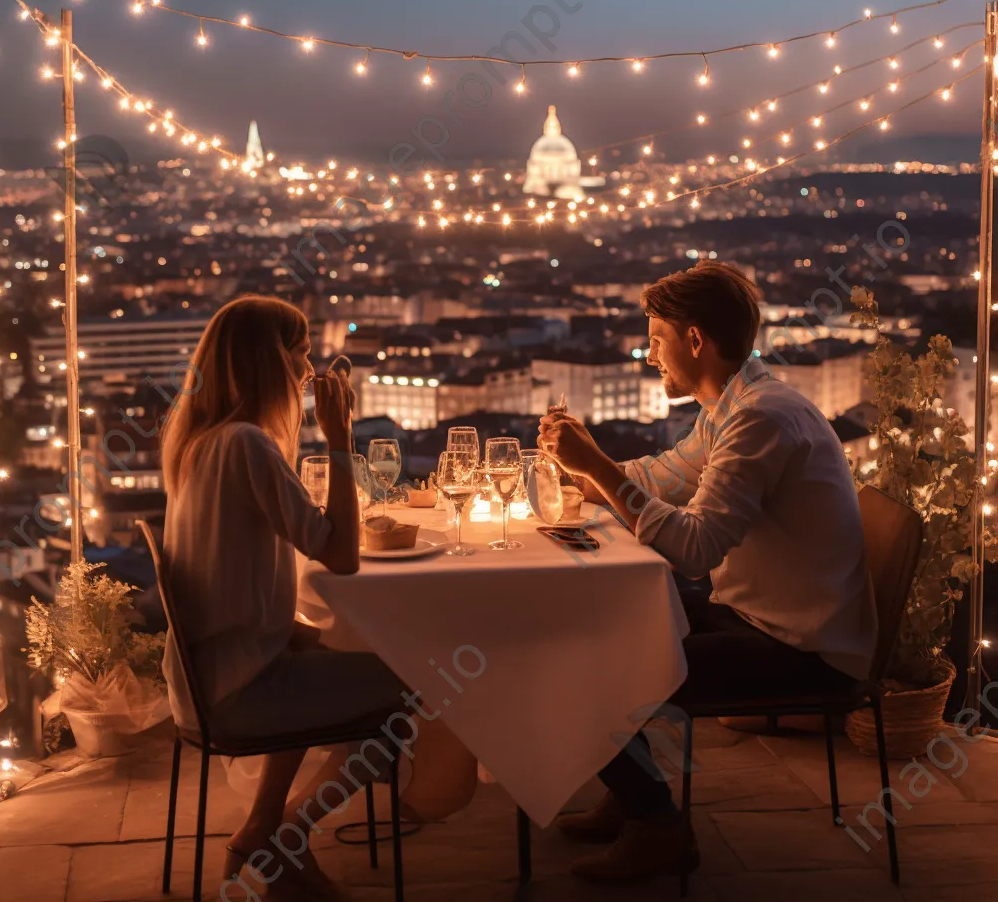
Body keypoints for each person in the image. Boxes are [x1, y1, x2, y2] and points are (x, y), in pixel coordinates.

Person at [538, 261, 877, 884]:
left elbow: (694, 549)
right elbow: (668, 474)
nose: (648, 356)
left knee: (592, 660)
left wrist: (596, 469)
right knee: (588, 625)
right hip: (762, 617)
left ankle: (657, 827)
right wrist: (583, 468)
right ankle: (635, 795)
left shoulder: (761, 420)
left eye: (656, 340)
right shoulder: (736, 404)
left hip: (802, 646)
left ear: (695, 340)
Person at [159, 296, 473, 901]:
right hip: (240, 688)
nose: (309, 369)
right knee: (411, 690)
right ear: (268, 362)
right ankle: (286, 834)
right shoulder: (248, 445)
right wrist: (339, 438)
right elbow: (342, 554)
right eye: (300, 353)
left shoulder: (199, 441)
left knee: (329, 645)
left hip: (206, 675)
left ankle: (267, 829)